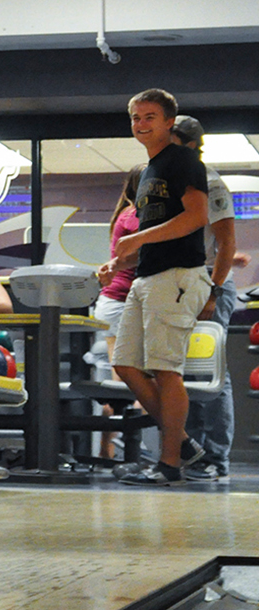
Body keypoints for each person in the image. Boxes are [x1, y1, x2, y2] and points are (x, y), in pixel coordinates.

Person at [97, 89, 211, 487]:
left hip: (177, 276)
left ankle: (169, 465)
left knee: (165, 370)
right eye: (135, 118)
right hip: (146, 278)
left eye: (150, 117)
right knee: (125, 364)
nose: (141, 124)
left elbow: (196, 217)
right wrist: (119, 261)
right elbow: (153, 233)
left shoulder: (183, 161)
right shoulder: (148, 171)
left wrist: (139, 241)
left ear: (168, 123)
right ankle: (180, 442)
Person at [172, 115, 239, 481]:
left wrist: (213, 290)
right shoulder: (171, 183)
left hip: (210, 284)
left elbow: (227, 243)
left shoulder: (211, 184)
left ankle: (216, 457)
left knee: (212, 374)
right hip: (180, 285)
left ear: (191, 145)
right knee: (184, 374)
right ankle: (193, 452)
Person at [93, 164, 146, 461]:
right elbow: (150, 249)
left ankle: (113, 452)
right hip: (119, 304)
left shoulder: (130, 214)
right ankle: (117, 453)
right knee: (126, 384)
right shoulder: (134, 216)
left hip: (124, 303)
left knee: (126, 383)